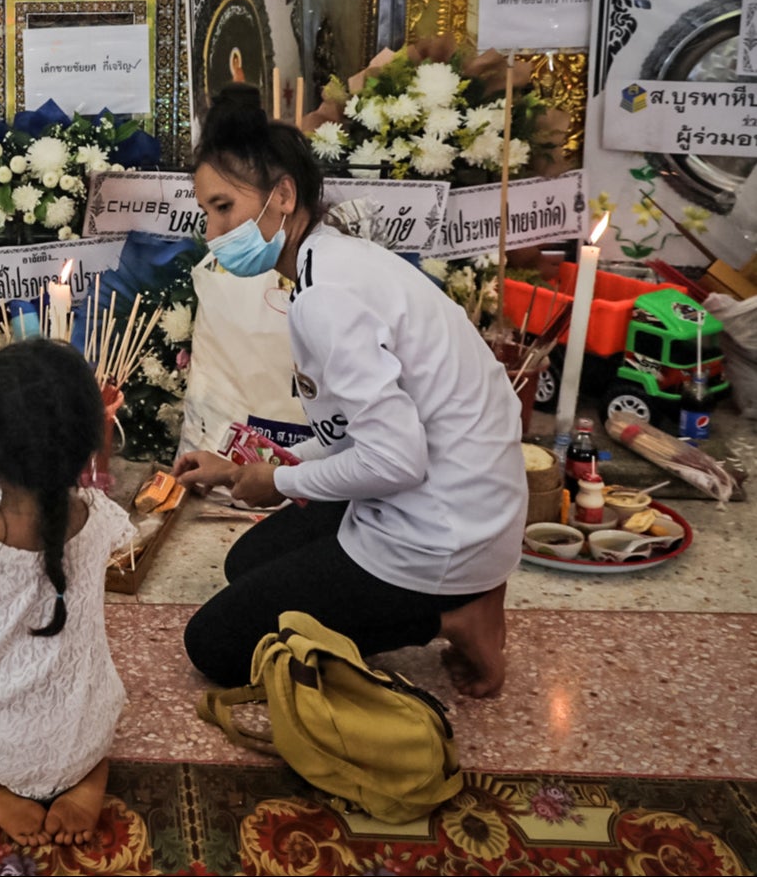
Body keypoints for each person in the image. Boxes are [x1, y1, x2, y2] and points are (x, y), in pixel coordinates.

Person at [175, 86, 523, 699]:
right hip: (457, 498)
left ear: (283, 195)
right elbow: (356, 435)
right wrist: (242, 471)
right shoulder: (332, 260)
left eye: (225, 208)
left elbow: (394, 459)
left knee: (214, 646)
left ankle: (454, 612)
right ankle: (457, 590)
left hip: (441, 530)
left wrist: (278, 483)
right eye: (207, 212)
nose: (213, 231)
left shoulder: (326, 299)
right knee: (245, 566)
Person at [0, 340, 135, 847]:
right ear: (90, 439)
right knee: (91, 725)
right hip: (84, 719)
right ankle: (87, 774)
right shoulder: (101, 518)